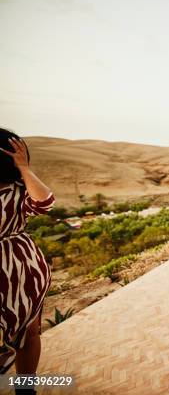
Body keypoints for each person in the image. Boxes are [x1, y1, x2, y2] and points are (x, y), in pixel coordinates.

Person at [0, 130, 55, 395]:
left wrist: (24, 168)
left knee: (28, 333)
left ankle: (25, 389)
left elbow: (45, 202)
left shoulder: (18, 191)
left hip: (21, 272)